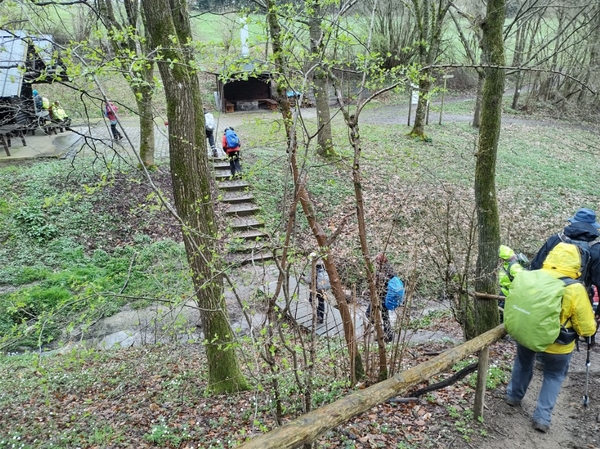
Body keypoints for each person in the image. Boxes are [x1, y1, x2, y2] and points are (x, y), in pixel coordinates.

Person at [530, 208, 600, 304]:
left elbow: (536, 266)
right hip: (576, 298)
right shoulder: (596, 248)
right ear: (593, 227)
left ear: (573, 222)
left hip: (546, 292)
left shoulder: (556, 239)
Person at [366, 253, 396, 342]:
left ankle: (383, 333)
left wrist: (378, 276)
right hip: (381, 295)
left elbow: (387, 280)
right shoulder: (387, 268)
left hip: (383, 296)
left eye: (377, 261)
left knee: (369, 313)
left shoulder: (386, 269)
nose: (376, 263)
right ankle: (386, 334)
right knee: (384, 316)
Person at [301, 259, 329, 324]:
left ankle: (317, 314)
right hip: (323, 288)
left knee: (311, 300)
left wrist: (302, 277)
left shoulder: (313, 269)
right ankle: (321, 318)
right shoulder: (324, 267)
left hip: (315, 289)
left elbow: (309, 281)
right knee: (321, 302)